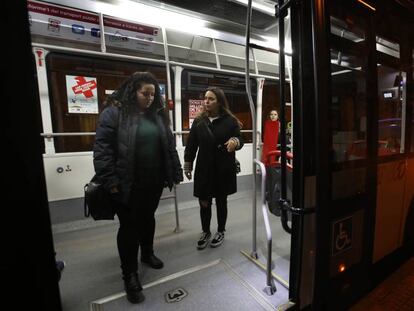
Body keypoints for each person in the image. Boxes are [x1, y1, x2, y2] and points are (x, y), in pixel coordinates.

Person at [93, 72, 183, 304]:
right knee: (129, 227)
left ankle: (147, 253)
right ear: (133, 91)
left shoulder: (158, 116)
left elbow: (169, 146)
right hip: (126, 183)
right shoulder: (115, 114)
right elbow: (103, 151)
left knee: (148, 218)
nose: (150, 98)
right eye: (145, 93)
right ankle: (129, 275)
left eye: (153, 94)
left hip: (153, 181)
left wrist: (174, 171)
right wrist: (111, 182)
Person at [184, 87, 243, 250]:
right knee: (204, 201)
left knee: (221, 201)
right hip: (204, 168)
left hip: (223, 167)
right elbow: (191, 145)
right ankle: (205, 231)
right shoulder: (199, 121)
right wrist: (187, 164)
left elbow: (240, 138)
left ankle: (221, 231)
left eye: (211, 99)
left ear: (219, 102)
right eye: (205, 98)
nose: (206, 101)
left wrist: (234, 142)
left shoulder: (230, 120)